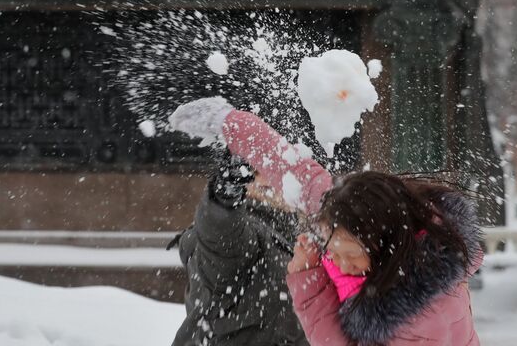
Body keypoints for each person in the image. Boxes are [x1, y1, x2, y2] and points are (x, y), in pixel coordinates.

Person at [170, 97, 483, 345]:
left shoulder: (419, 322)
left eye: (350, 255)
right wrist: (226, 121)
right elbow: (295, 171)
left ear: (385, 245)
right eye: (335, 251)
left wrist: (308, 282)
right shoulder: (354, 214)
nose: (341, 263)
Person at [168, 151, 309, 346]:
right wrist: (226, 193)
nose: (282, 177)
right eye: (267, 167)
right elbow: (222, 231)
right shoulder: (245, 234)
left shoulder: (293, 234)